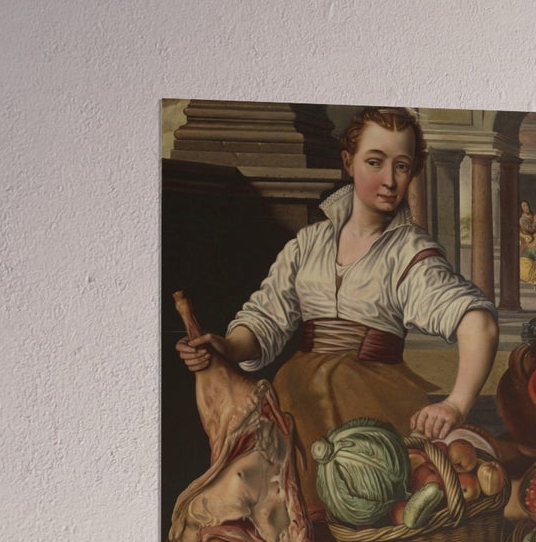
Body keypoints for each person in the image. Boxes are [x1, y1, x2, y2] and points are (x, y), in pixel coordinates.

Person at [176, 107, 499, 501]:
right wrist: (226, 347)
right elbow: (264, 319)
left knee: (369, 500)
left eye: (402, 166)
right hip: (296, 398)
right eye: (375, 162)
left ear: (414, 171)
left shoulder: (411, 250)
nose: (389, 180)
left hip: (375, 401)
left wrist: (456, 403)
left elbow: (479, 323)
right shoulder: (309, 243)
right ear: (348, 162)